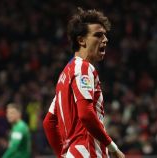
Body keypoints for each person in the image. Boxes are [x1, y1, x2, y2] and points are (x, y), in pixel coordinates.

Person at [43, 7, 125, 158]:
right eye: (98, 35)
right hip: (88, 152)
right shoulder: (84, 68)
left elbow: (49, 122)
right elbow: (86, 114)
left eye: (105, 35)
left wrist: (63, 154)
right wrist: (113, 147)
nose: (105, 40)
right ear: (81, 40)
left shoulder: (65, 75)